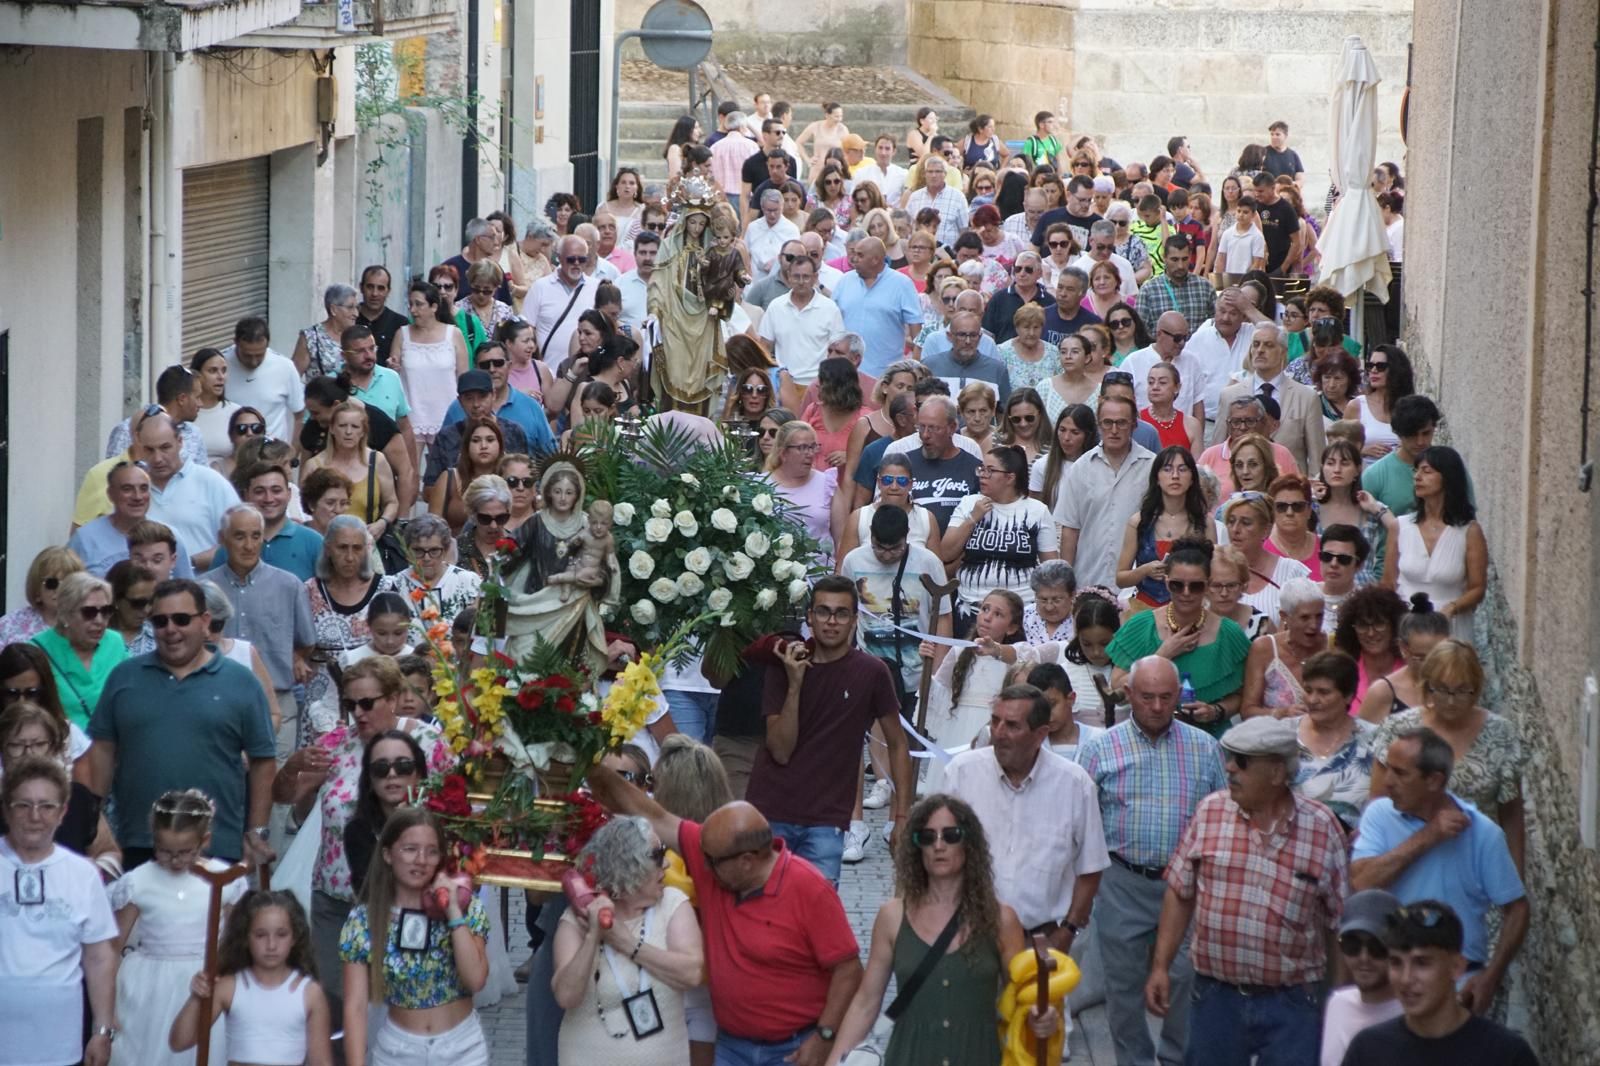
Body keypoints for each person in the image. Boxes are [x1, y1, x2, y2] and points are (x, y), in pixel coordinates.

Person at [1147, 715, 1349, 1064]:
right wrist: (1161, 966)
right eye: (1229, 757)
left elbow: (1338, 923)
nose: (1229, 769)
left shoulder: (1322, 827)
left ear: (1276, 772)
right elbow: (1181, 892)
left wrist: (1338, 999)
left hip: (1293, 1002)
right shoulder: (1210, 811)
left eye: (1241, 761)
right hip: (1215, 997)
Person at [825, 794, 1059, 1066]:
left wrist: (1040, 1017)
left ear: (968, 843)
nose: (938, 845)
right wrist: (835, 1060)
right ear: (917, 848)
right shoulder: (892, 916)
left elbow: (1020, 997)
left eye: (951, 835)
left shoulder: (1001, 919)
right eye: (927, 837)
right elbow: (866, 1001)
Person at [1077, 656, 1226, 1065]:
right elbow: (1081, 820)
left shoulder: (1205, 748)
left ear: (1178, 695)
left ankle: (1176, 1058)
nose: (1157, 707)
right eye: (1147, 697)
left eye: (1165, 697)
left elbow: (1223, 813)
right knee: (1122, 984)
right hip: (1123, 879)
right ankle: (1134, 1061)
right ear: (1129, 695)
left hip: (1185, 883)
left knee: (1184, 975)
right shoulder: (1100, 749)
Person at [87, 578, 275, 868]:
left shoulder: (242, 682)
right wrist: (91, 822)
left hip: (215, 844)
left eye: (181, 619)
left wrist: (257, 832)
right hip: (137, 842)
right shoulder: (124, 678)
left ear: (204, 621)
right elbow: (101, 751)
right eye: (160, 621)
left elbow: (263, 761)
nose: (171, 629)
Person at [744, 576, 914, 884]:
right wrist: (795, 685)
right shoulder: (784, 663)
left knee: (817, 920)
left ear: (854, 620)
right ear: (809, 617)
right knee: (766, 915)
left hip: (827, 819)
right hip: (771, 811)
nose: (831, 621)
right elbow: (780, 750)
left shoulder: (872, 672)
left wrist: (901, 816)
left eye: (841, 613)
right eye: (823, 612)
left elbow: (898, 744)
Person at [1350, 728, 1529, 1015]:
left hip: (1455, 988)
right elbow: (1362, 881)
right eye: (1388, 770)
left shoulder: (1484, 834)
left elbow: (1517, 909)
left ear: (1434, 780)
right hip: (1390, 982)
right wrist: (1428, 836)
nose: (1387, 782)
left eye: (1400, 773)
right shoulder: (1379, 814)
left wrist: (1491, 977)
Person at [339, 808, 491, 1066]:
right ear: (388, 854)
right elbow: (355, 1006)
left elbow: (476, 979)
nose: (421, 860)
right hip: (398, 1051)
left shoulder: (468, 908)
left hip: (462, 1049)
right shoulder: (363, 920)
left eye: (431, 851)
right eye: (410, 849)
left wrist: (453, 911)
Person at [550, 816, 704, 1066]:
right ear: (628, 864)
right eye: (656, 855)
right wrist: (593, 937)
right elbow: (566, 996)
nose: (665, 864)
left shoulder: (673, 904)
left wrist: (627, 943)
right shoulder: (577, 920)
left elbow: (692, 974)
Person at [108, 789, 245, 1066]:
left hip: (205, 981)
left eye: (185, 852)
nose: (174, 860)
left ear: (204, 841)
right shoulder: (140, 881)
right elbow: (112, 947)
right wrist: (108, 1008)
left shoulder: (223, 879)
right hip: (150, 984)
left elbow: (236, 942)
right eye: (164, 851)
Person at [0, 756, 120, 1066]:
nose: (35, 816)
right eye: (23, 805)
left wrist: (102, 1031)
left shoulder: (82, 874)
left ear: (63, 812)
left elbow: (99, 957)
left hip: (59, 1045)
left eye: (46, 806)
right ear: (6, 809)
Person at [1337, 902, 1539, 1066]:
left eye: (1422, 963)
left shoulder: (1505, 1055)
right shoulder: (1368, 1050)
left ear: (1456, 967)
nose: (1406, 979)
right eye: (1396, 963)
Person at [203, 505, 317, 758]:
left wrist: (295, 656)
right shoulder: (204, 589)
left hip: (276, 700)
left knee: (275, 789)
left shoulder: (288, 585)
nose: (248, 545)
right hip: (218, 700)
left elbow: (306, 640)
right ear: (223, 539)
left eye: (255, 536)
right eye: (239, 536)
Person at [170, 890, 334, 1066]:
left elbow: (321, 1062)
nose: (271, 945)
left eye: (281, 934)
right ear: (246, 937)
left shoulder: (309, 992)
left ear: (295, 937)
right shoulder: (229, 987)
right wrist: (196, 997)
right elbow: (180, 1041)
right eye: (261, 935)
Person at [1054, 394, 1155, 590]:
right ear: (1099, 425)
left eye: (1121, 423)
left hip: (1136, 587)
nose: (1114, 430)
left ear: (1134, 425)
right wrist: (1066, 585)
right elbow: (1070, 529)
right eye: (1108, 423)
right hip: (1088, 580)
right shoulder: (1081, 468)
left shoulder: (1151, 466)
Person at [1386, 446, 1486, 643]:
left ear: (1447, 477)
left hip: (1451, 626)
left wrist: (1451, 608)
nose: (1417, 477)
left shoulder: (1469, 531)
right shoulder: (1400, 526)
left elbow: (1477, 588)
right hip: (1408, 625)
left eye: (1427, 471)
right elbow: (1388, 582)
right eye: (1416, 471)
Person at [300, 516, 387, 727]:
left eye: (357, 548)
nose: (349, 557)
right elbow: (294, 642)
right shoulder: (308, 590)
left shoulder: (386, 589)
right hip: (321, 702)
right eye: (342, 548)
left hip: (372, 700)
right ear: (328, 548)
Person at [1288, 649, 1377, 831]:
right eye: (1308, 690)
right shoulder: (1281, 735)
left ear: (1348, 696)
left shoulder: (1375, 739)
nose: (1312, 699)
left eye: (1324, 692)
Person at [138, 413, 241, 569]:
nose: (158, 458)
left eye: (165, 447)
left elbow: (239, 540)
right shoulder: (135, 491)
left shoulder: (211, 482)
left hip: (203, 587)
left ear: (180, 442)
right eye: (149, 450)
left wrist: (188, 564)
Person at [1115, 445, 1212, 609]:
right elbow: (1121, 578)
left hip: (1191, 610)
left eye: (1182, 470)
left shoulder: (1204, 523)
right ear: (1157, 479)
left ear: (1192, 479)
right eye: (1167, 469)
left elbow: (1213, 574)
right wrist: (1144, 571)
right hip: (1145, 610)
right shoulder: (1139, 521)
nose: (1175, 476)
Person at [1320, 889, 1406, 1066]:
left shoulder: (1414, 1012)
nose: (1364, 957)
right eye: (1353, 945)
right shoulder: (1337, 1003)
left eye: (1377, 947)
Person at [30, 572, 126, 729]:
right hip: (62, 746)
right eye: (89, 612)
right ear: (65, 615)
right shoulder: (37, 651)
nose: (100, 621)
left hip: (111, 746)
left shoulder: (115, 642)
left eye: (106, 611)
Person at [379, 515, 484, 644]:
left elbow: (484, 634)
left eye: (434, 550)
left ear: (445, 550)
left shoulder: (468, 582)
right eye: (418, 551)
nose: (426, 558)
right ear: (406, 551)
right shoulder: (393, 585)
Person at [1359, 594, 1451, 723]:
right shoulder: (1382, 692)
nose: (1432, 664)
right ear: (1403, 648)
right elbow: (1363, 740)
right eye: (1422, 658)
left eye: (1439, 656)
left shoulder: (1458, 687)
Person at [225, 317, 306, 442]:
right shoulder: (220, 366)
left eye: (259, 355)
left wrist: (293, 452)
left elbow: (300, 415)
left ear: (268, 344)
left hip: (272, 454)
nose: (253, 362)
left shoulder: (285, 367)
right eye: (247, 355)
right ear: (235, 342)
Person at [190, 347, 243, 463]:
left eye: (224, 370)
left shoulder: (236, 413)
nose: (221, 377)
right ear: (197, 375)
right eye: (213, 371)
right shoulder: (186, 413)